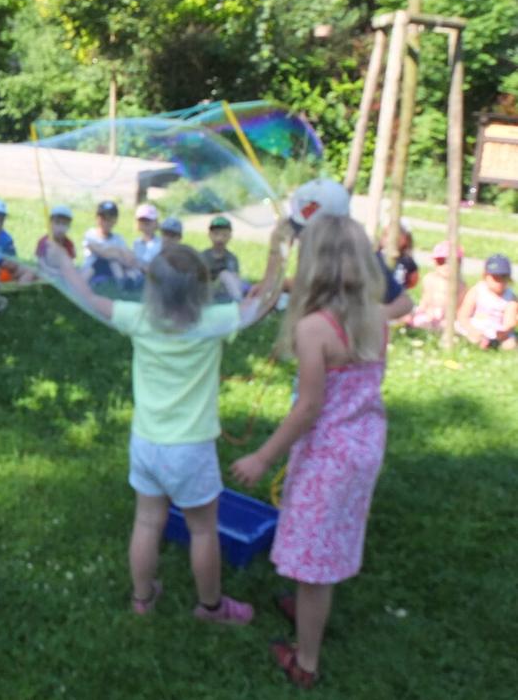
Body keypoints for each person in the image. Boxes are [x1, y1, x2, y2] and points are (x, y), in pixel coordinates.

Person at [45, 233, 285, 631]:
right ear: (204, 291)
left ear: (152, 291)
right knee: (203, 529)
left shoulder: (138, 319)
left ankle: (142, 598)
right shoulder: (215, 321)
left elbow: (88, 297)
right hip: (189, 450)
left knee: (147, 522)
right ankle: (211, 608)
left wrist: (62, 260)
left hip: (146, 444)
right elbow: (266, 300)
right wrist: (277, 250)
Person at [231, 215, 391, 689]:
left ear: (313, 265)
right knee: (330, 536)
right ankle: (305, 604)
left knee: (315, 560)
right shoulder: (377, 316)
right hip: (364, 446)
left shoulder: (314, 328)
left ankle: (306, 659)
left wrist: (262, 457)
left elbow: (309, 407)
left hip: (328, 456)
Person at [287, 178, 413, 320]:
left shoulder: (360, 259)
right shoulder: (313, 254)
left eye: (307, 233)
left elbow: (405, 302)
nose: (301, 239)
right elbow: (308, 284)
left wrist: (374, 319)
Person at [456, 254, 517, 350]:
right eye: (495, 277)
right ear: (485, 276)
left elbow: (509, 321)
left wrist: (504, 332)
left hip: (497, 332)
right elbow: (463, 315)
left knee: (510, 345)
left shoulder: (510, 297)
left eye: (503, 277)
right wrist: (472, 330)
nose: (499, 282)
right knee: (471, 338)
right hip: (476, 327)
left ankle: (493, 345)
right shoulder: (477, 291)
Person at [408, 241, 466, 331]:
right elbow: (425, 300)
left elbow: (460, 308)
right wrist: (423, 311)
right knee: (417, 320)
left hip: (449, 317)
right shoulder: (429, 279)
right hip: (429, 313)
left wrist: (449, 316)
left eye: (451, 262)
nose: (446, 266)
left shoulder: (460, 285)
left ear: (459, 263)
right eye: (441, 261)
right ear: (434, 262)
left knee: (456, 328)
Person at [0, 198, 37, 284]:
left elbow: (12, 258)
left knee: (31, 270)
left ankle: (19, 290)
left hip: (4, 271)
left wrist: (10, 263)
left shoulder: (6, 239)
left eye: (0, 220)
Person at [82, 201, 137, 290]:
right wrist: (117, 252)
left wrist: (116, 253)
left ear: (115, 220)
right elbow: (100, 252)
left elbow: (129, 258)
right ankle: (123, 283)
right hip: (93, 270)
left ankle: (126, 283)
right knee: (107, 261)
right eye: (103, 218)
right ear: (97, 218)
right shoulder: (90, 234)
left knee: (115, 263)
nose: (106, 222)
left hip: (111, 271)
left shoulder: (118, 238)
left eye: (110, 219)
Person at [202, 216, 244, 301]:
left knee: (226, 275)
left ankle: (238, 301)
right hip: (206, 293)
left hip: (225, 295)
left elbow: (234, 278)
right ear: (210, 235)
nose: (220, 238)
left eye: (224, 235)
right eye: (216, 234)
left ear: (230, 236)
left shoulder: (231, 258)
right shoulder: (203, 256)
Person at [133, 204, 163, 268]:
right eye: (142, 220)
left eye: (148, 220)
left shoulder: (160, 243)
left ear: (155, 222)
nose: (145, 223)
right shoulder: (136, 243)